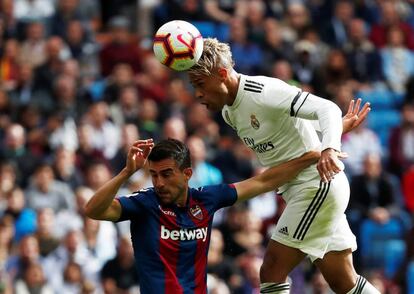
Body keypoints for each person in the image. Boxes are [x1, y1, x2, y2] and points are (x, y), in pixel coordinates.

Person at [187, 38, 378, 293]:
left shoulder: (263, 91)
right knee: (344, 282)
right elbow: (296, 133)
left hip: (317, 184)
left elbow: (328, 109)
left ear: (222, 74)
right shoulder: (228, 112)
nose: (197, 93)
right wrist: (333, 132)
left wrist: (331, 147)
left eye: (200, 84)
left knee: (271, 271)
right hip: (302, 189)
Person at [85, 138, 321, 293]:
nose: (159, 183)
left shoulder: (207, 199)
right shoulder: (144, 203)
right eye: (154, 175)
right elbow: (93, 210)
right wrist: (127, 172)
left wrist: (312, 156)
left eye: (166, 174)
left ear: (187, 173)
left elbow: (263, 181)